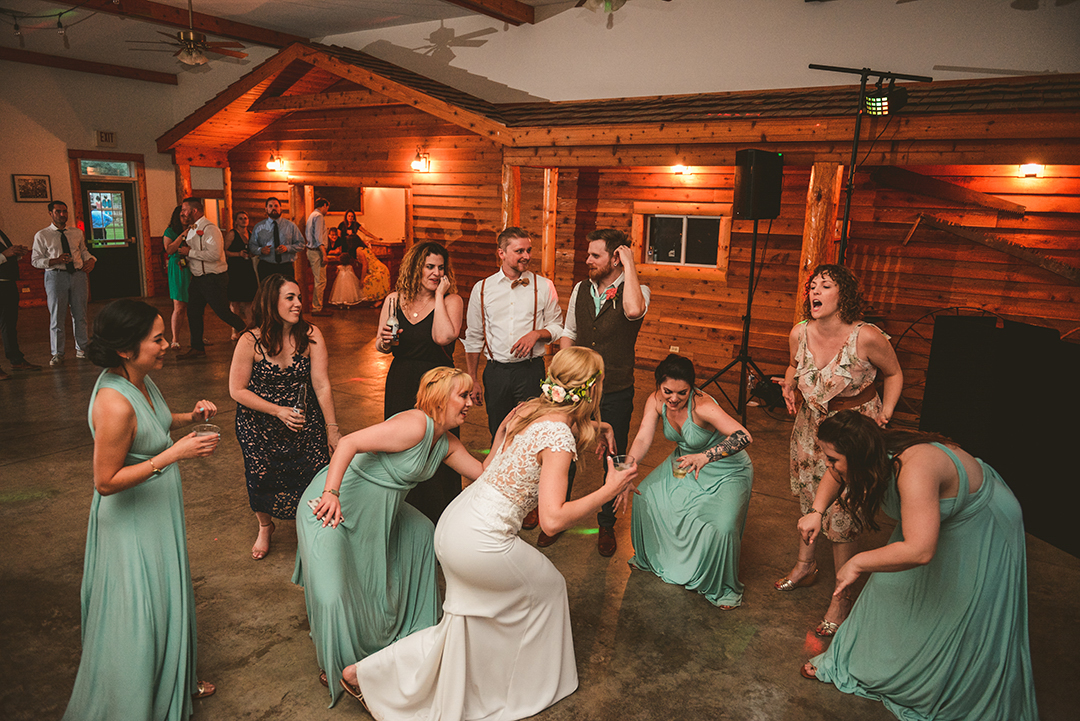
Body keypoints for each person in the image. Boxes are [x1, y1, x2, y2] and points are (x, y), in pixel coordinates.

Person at [340, 347, 638, 721]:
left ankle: (365, 674)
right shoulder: (559, 438)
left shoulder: (529, 411)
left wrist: (603, 429)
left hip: (456, 523)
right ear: (592, 391)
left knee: (466, 621)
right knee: (549, 589)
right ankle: (527, 689)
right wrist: (609, 489)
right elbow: (551, 520)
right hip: (483, 539)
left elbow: (569, 427)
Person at [799, 411, 1039, 721]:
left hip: (981, 522)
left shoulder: (914, 470)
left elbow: (920, 550)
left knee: (957, 605)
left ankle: (943, 684)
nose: (827, 466)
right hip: (926, 522)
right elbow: (836, 474)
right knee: (889, 590)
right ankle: (870, 667)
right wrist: (817, 512)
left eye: (833, 458)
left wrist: (858, 562)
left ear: (857, 454)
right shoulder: (868, 454)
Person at [62, 299, 220, 720]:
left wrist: (191, 417)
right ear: (126, 350)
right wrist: (174, 456)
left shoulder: (141, 379)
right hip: (130, 523)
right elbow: (105, 482)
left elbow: (155, 424)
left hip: (156, 515)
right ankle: (134, 700)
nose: (167, 344)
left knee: (167, 599)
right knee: (138, 612)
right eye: (157, 339)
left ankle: (175, 679)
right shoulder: (113, 403)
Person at [294, 366, 486, 707]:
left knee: (423, 534)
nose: (470, 402)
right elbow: (349, 442)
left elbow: (482, 474)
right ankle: (338, 663)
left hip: (383, 509)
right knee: (331, 593)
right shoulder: (416, 425)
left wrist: (512, 435)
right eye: (463, 395)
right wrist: (331, 493)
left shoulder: (445, 443)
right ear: (441, 399)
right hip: (338, 502)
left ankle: (416, 635)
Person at [775, 264, 902, 637]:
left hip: (854, 430)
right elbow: (792, 364)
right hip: (810, 429)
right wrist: (788, 384)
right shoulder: (799, 332)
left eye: (824, 286)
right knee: (811, 502)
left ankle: (841, 597)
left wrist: (887, 413)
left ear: (842, 295)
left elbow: (894, 374)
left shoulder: (867, 337)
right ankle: (805, 566)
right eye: (811, 286)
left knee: (843, 512)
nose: (814, 292)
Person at [626, 354, 753, 608]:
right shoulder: (655, 400)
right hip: (685, 463)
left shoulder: (703, 406)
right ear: (658, 386)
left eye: (682, 393)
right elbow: (642, 437)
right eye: (668, 391)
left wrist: (706, 456)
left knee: (723, 526)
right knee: (646, 496)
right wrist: (628, 467)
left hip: (726, 469)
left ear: (692, 388)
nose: (673, 398)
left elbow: (744, 436)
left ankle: (722, 587)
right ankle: (661, 559)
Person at [229, 274, 341, 560]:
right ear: (271, 302)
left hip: (304, 420)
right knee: (260, 477)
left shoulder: (311, 334)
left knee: (315, 471)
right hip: (259, 424)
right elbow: (237, 390)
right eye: (290, 298)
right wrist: (277, 411)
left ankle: (311, 526)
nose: (298, 304)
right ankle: (265, 527)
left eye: (299, 298)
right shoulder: (249, 340)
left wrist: (332, 428)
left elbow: (322, 384)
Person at [555, 228, 649, 554]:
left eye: (595, 255)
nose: (588, 260)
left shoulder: (637, 290)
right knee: (563, 449)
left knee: (614, 456)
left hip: (616, 389)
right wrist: (564, 373)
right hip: (579, 390)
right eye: (588, 254)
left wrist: (631, 266)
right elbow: (568, 331)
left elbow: (634, 311)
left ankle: (606, 524)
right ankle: (555, 512)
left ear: (615, 257)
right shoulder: (581, 288)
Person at [376, 241, 464, 522]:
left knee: (436, 451)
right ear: (416, 267)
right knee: (401, 448)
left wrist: (439, 295)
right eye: (430, 267)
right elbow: (381, 345)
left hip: (438, 387)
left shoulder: (452, 301)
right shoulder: (393, 300)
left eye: (441, 267)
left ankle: (441, 523)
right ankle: (404, 520)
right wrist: (384, 342)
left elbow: (443, 337)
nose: (436, 273)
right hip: (401, 381)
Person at [464, 227, 563, 441]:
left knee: (531, 432)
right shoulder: (482, 289)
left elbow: (557, 328)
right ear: (501, 253)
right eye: (519, 251)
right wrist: (472, 378)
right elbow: (473, 337)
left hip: (530, 371)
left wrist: (536, 334)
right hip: (496, 373)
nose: (526, 256)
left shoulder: (544, 286)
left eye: (528, 250)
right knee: (498, 431)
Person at [174, 198, 246, 360]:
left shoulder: (210, 229)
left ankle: (252, 335)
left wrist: (189, 253)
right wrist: (185, 261)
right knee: (193, 312)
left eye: (185, 210)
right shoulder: (192, 230)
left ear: (194, 211)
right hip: (198, 278)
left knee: (223, 312)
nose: (182, 213)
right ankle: (197, 347)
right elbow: (194, 252)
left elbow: (214, 255)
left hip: (213, 278)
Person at [31, 200, 96, 366]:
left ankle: (82, 348)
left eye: (65, 211)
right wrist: (55, 261)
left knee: (80, 314)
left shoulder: (76, 233)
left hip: (78, 275)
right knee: (57, 315)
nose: (62, 215)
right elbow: (35, 261)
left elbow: (83, 251)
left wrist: (91, 260)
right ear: (50, 213)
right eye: (58, 211)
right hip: (56, 276)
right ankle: (57, 353)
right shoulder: (42, 235)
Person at [0, 226, 41, 377]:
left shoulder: (2, 233)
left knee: (9, 325)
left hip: (8, 284)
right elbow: (3, 256)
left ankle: (16, 359)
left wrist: (16, 254)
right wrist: (5, 254)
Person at [250, 196, 304, 282]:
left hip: (285, 267)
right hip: (266, 267)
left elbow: (301, 244)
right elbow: (252, 246)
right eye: (270, 206)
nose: (273, 208)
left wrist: (288, 248)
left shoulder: (291, 226)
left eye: (276, 206)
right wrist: (260, 250)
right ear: (266, 209)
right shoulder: (259, 227)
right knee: (268, 293)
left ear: (280, 209)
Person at [225, 209, 258, 338]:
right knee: (235, 302)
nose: (244, 220)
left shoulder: (251, 234)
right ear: (236, 221)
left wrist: (252, 253)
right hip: (235, 269)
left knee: (249, 301)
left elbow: (254, 250)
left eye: (245, 218)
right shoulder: (232, 234)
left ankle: (250, 329)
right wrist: (237, 254)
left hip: (247, 268)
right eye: (240, 218)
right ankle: (235, 330)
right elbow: (224, 251)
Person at [162, 206, 189, 349]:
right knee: (179, 305)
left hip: (192, 265)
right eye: (182, 215)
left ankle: (198, 335)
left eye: (187, 215)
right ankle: (175, 339)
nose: (185, 218)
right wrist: (182, 235)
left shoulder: (194, 230)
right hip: (177, 267)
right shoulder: (170, 231)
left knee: (196, 304)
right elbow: (169, 249)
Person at [305, 198, 332, 316]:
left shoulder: (311, 215)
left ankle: (317, 306)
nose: (327, 210)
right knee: (320, 281)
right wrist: (324, 254)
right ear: (325, 205)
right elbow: (318, 236)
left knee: (319, 280)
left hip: (311, 251)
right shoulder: (319, 216)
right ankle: (317, 308)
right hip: (317, 252)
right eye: (327, 207)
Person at [355, 239, 391, 305]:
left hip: (378, 271)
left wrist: (361, 279)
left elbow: (365, 265)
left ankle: (375, 301)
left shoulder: (359, 250)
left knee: (366, 283)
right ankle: (378, 301)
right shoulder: (365, 248)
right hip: (382, 268)